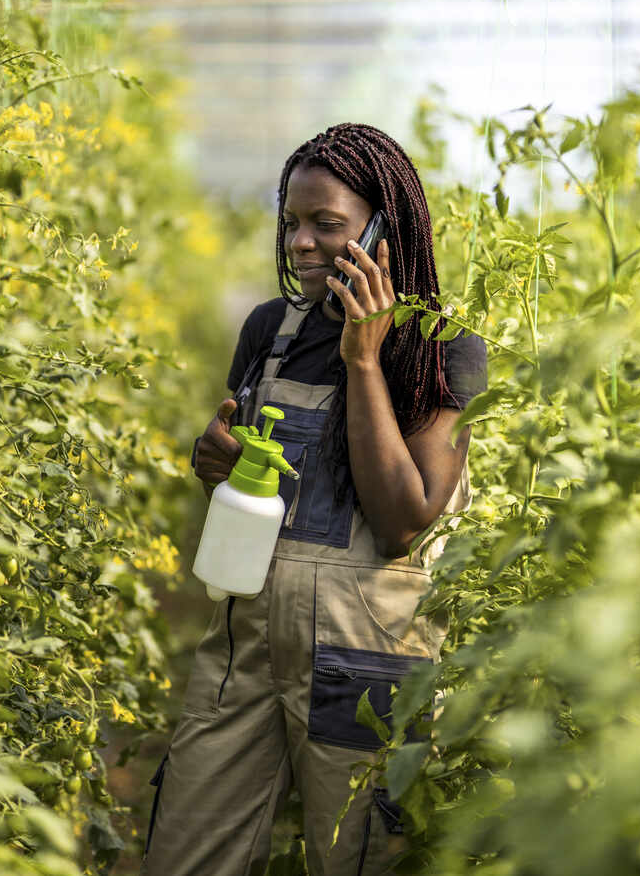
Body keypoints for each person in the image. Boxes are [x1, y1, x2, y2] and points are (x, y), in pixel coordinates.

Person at [140, 123, 487, 876]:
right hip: (247, 644)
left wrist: (364, 358)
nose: (300, 242)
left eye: (325, 224)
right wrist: (217, 468)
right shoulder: (270, 330)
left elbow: (400, 522)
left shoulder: (439, 351)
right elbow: (261, 491)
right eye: (291, 221)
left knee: (358, 859)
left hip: (365, 663)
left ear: (384, 229)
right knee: (185, 851)